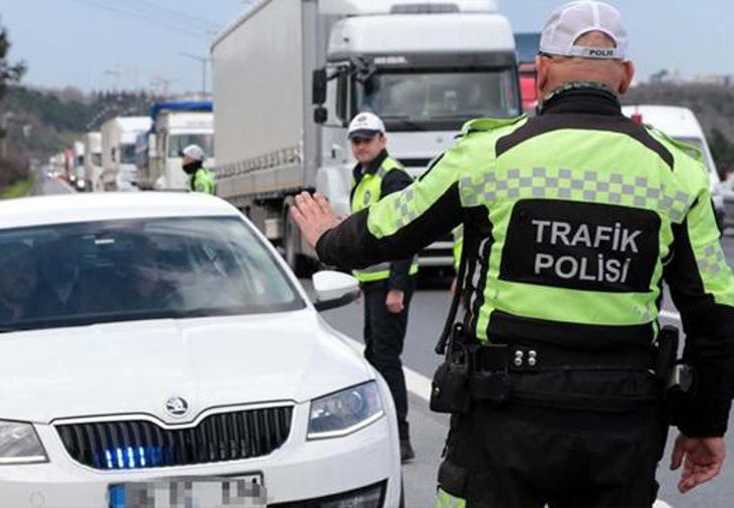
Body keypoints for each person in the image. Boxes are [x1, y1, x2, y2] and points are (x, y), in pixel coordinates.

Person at [291, 2, 734, 506]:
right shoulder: (678, 172)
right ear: (627, 76)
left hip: (504, 414)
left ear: (540, 71)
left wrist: (329, 239)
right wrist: (704, 422)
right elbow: (715, 312)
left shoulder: (489, 154)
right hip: (622, 421)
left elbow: (391, 228)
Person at [346, 111, 419, 461]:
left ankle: (401, 438)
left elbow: (405, 235)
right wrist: (358, 279)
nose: (361, 146)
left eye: (368, 139)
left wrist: (397, 288)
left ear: (383, 140)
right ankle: (384, 430)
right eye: (356, 140)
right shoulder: (362, 177)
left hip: (390, 283)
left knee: (386, 359)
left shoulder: (393, 177)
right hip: (373, 282)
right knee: (374, 357)